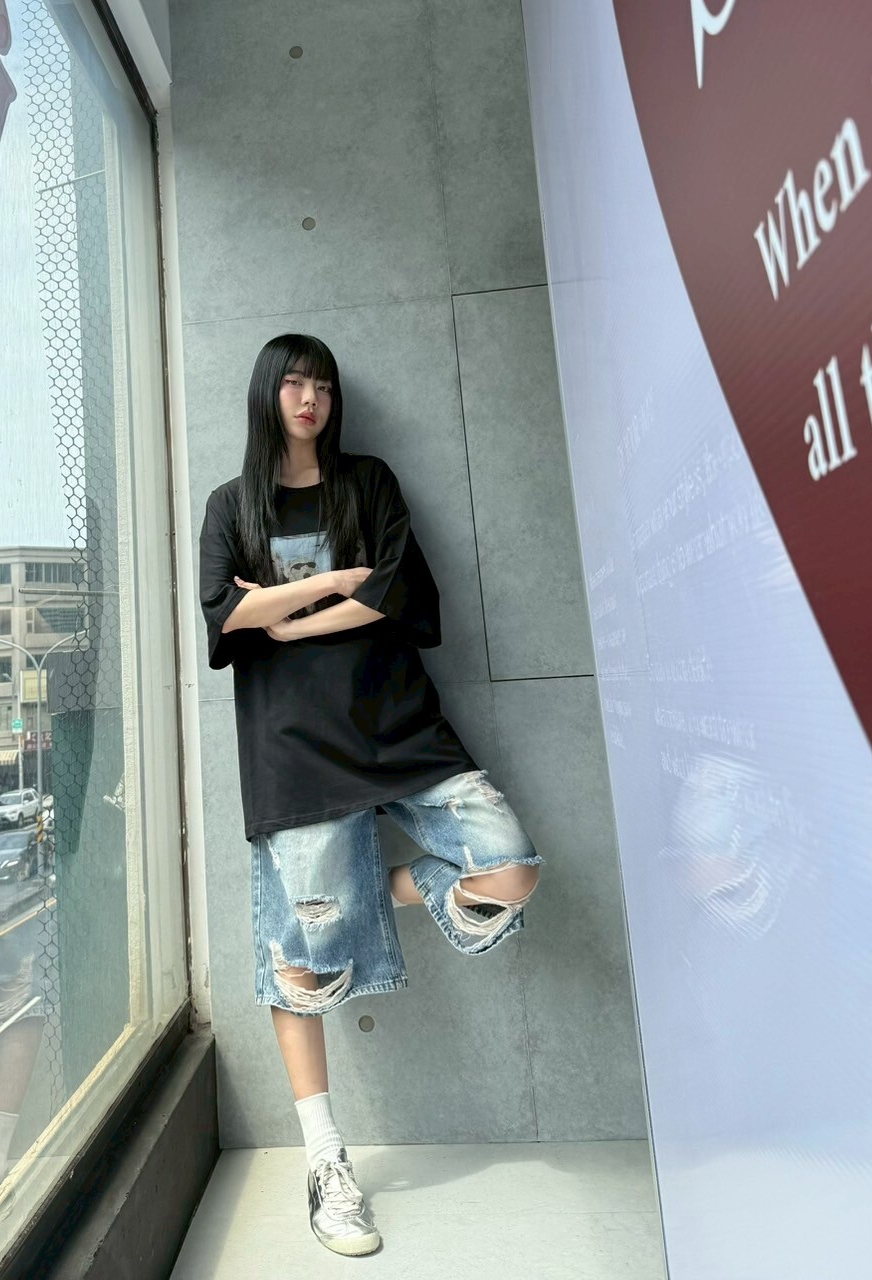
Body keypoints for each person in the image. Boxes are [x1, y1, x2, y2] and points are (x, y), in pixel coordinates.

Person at [198, 334, 544, 1257]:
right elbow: (225, 615)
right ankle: (326, 1162)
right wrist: (329, 586)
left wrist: (290, 613)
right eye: (292, 383)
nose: (308, 398)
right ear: (266, 394)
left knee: (508, 867)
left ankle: (382, 891)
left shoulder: (368, 483)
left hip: (398, 726)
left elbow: (395, 592)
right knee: (304, 963)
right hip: (294, 748)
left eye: (321, 384)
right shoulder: (231, 505)